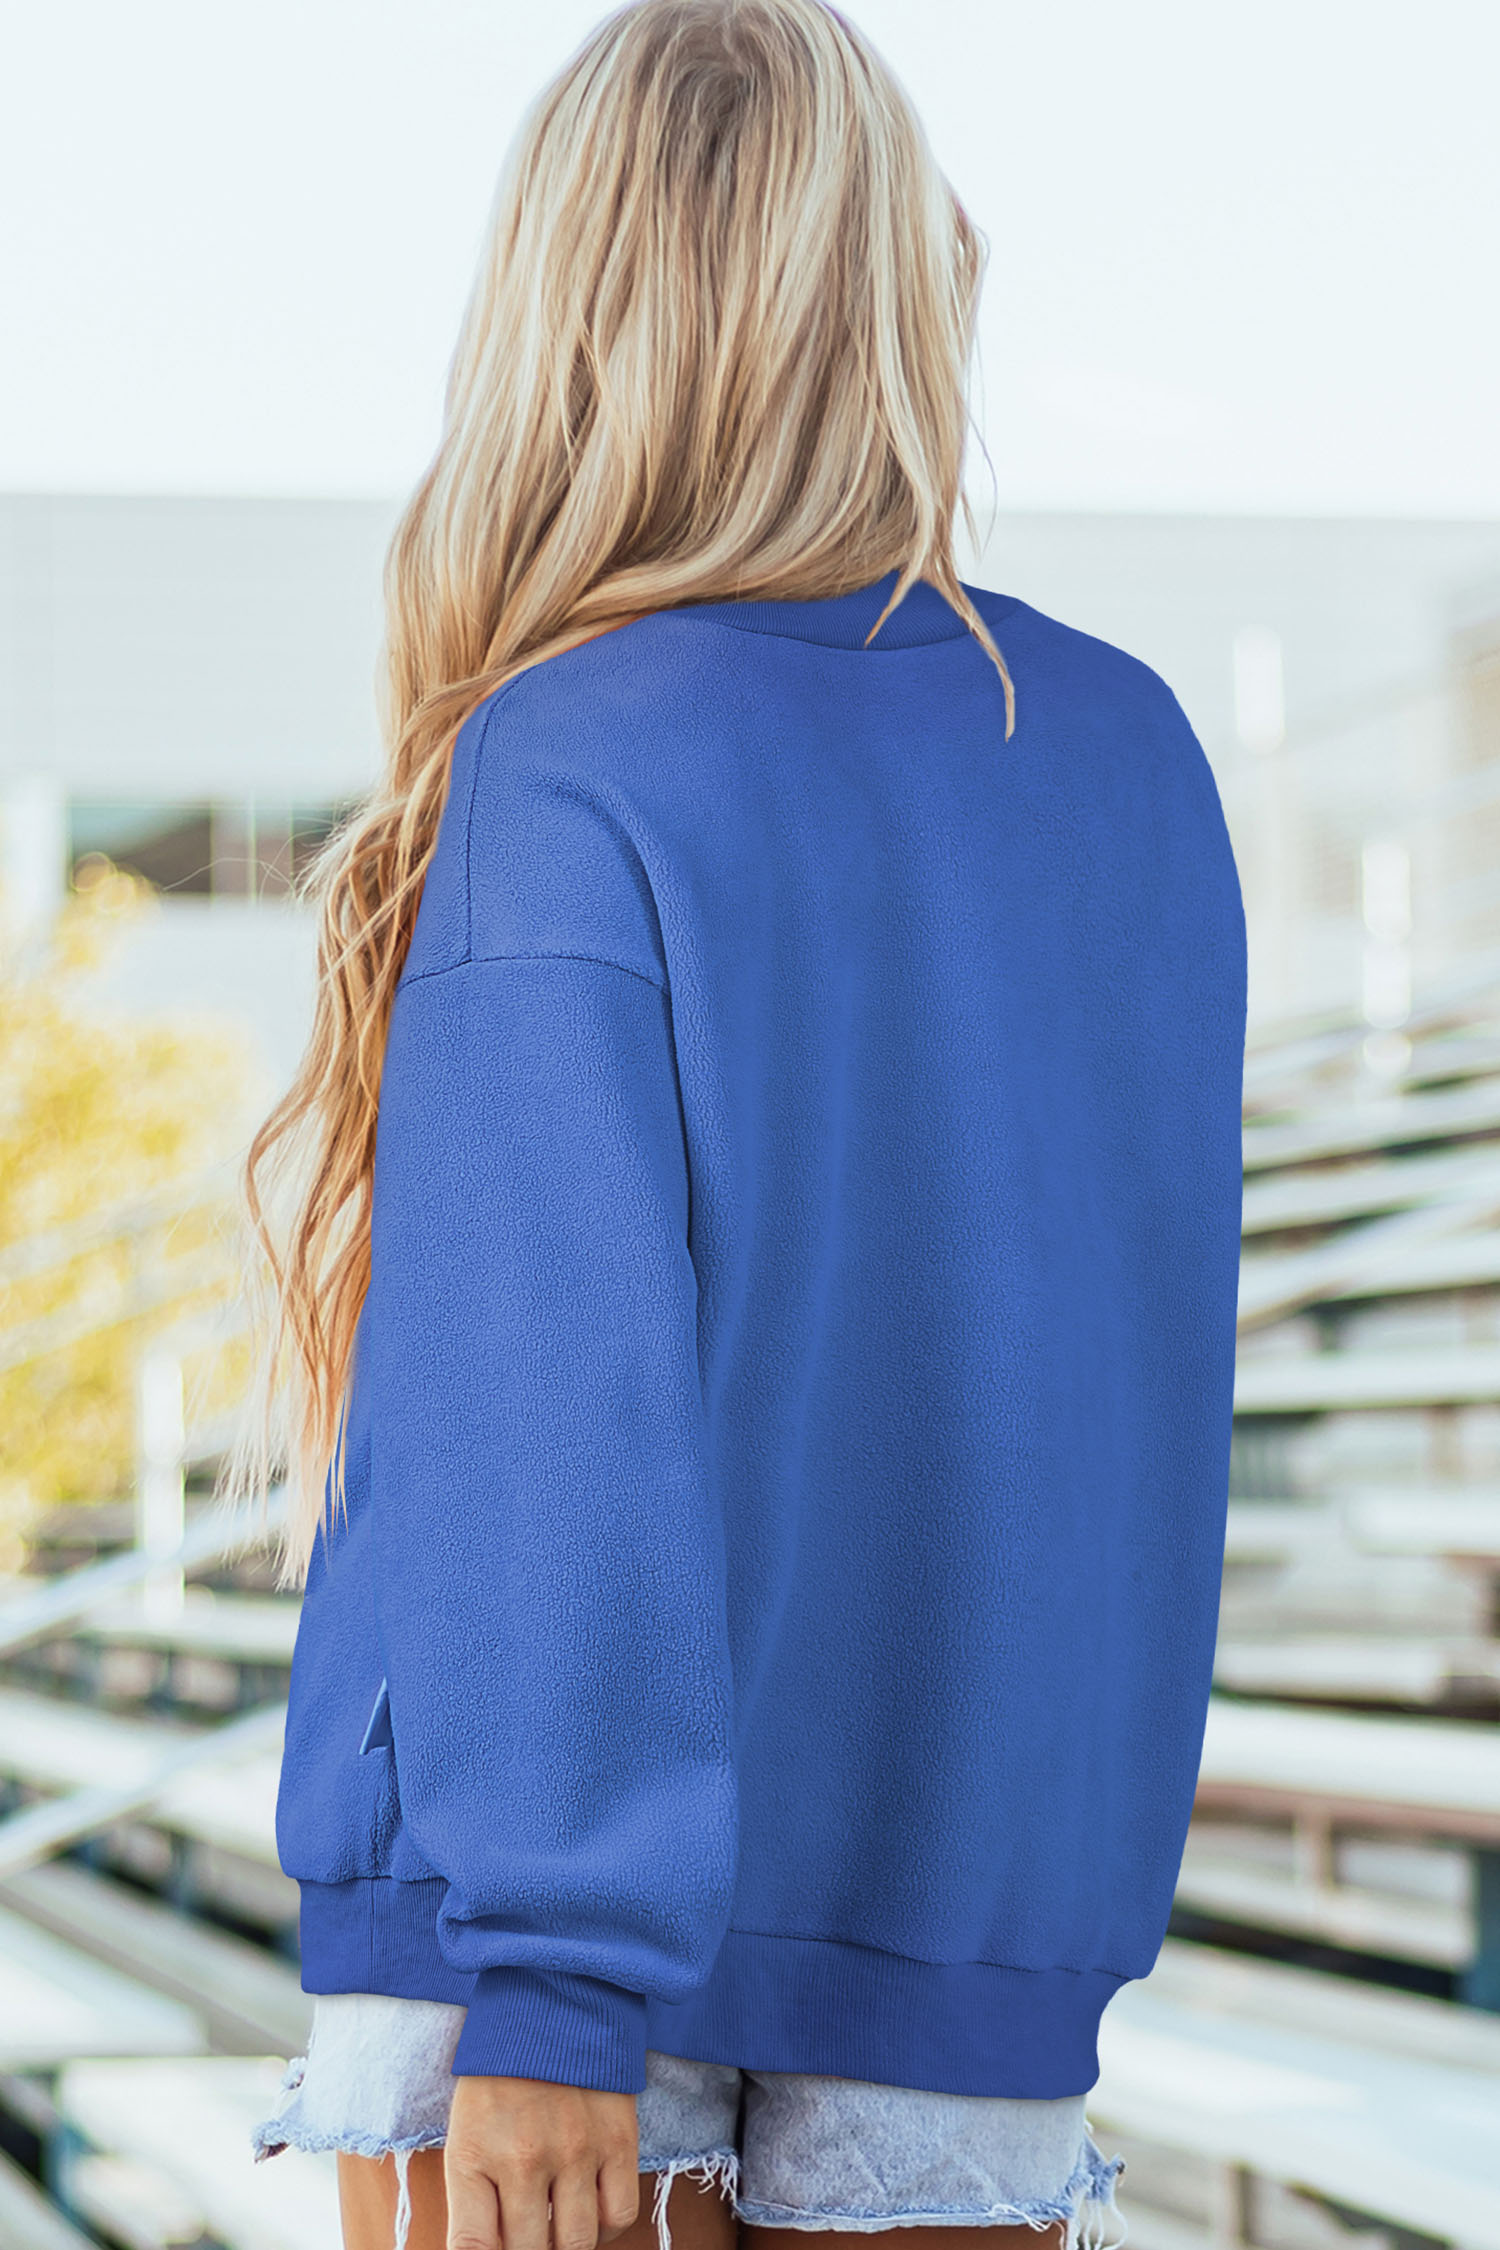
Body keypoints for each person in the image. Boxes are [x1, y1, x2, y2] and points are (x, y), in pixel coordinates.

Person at [229, 3, 1247, 2247]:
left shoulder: (569, 757)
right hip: (967, 1915)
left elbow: (551, 1398)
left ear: (574, 309)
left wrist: (554, 1973)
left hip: (539, 1963)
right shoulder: (1130, 756)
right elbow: (1131, 1394)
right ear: (893, 287)